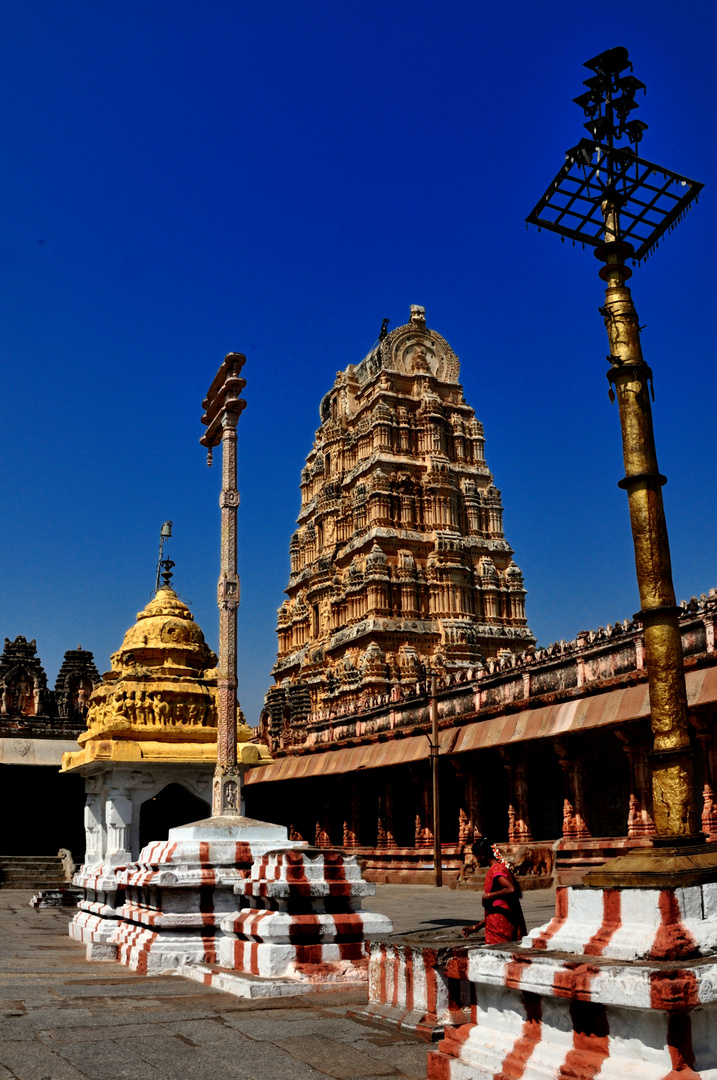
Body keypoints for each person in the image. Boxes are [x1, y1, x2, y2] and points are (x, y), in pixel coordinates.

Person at [462, 837, 527, 944]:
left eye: (476, 856)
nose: (476, 860)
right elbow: (496, 908)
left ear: (482, 855)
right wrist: (475, 928)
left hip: (500, 927)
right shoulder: (497, 868)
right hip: (496, 923)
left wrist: (488, 895)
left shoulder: (497, 869)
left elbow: (511, 889)